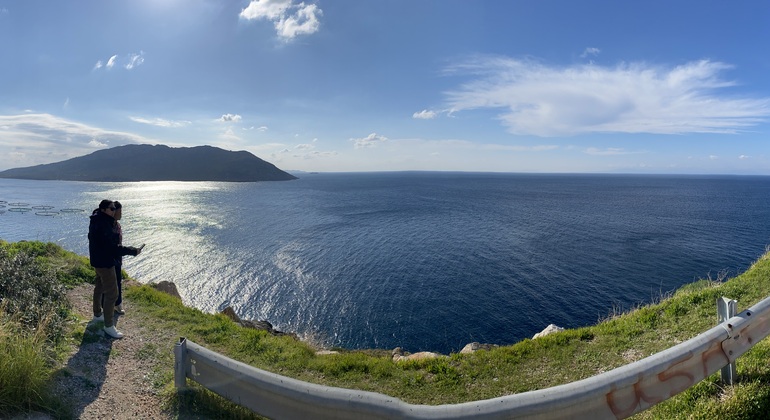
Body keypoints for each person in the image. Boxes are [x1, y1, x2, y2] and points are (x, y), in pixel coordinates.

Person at [88, 199, 141, 339]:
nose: (114, 211)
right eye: (111, 209)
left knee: (99, 287)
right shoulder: (104, 224)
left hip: (97, 261)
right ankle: (109, 326)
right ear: (104, 209)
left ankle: (97, 314)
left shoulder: (96, 219)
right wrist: (132, 251)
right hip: (105, 262)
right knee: (112, 293)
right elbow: (112, 248)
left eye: (114, 208)